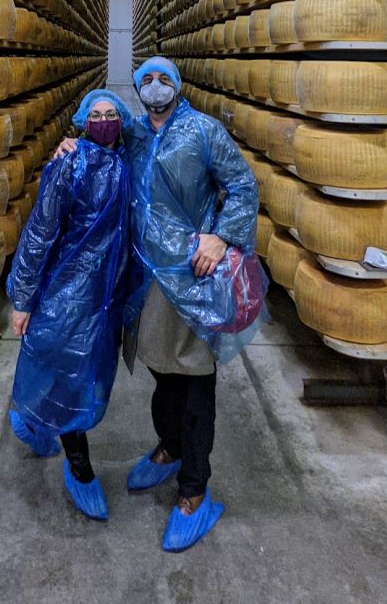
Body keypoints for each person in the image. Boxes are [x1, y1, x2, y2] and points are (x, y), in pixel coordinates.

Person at [56, 56, 264, 551]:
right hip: (145, 276)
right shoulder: (133, 133)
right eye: (146, 79)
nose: (154, 86)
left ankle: (195, 491)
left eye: (163, 79)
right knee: (161, 370)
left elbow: (243, 187)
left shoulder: (203, 130)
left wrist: (220, 238)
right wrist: (71, 145)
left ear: (177, 85)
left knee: (194, 377)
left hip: (191, 275)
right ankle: (169, 448)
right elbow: (98, 134)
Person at [7, 89, 133, 521]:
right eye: (96, 114)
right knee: (67, 371)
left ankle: (34, 421)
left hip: (107, 296)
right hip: (69, 291)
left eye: (112, 114)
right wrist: (22, 299)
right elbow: (39, 234)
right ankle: (79, 469)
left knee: (90, 372)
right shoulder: (69, 163)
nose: (104, 120)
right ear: (82, 122)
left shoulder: (128, 162)